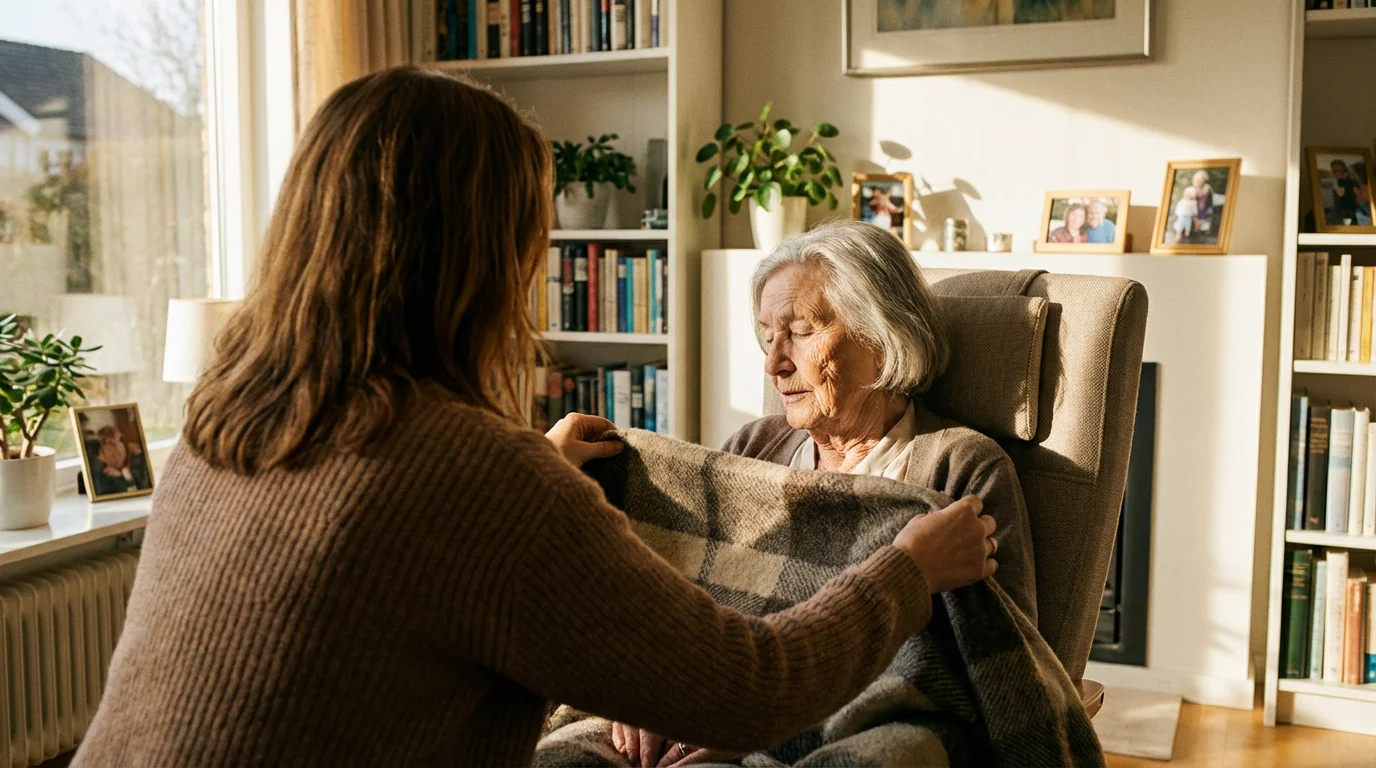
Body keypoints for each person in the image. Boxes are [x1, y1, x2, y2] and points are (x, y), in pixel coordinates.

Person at [71, 68, 998, 767]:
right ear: (479, 258)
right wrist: (907, 570)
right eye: (530, 236)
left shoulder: (222, 424)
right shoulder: (477, 477)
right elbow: (750, 689)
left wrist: (540, 480)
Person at [610, 221, 1037, 767]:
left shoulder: (958, 465)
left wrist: (752, 730)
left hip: (867, 723)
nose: (774, 363)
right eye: (769, 336)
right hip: (718, 705)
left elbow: (1001, 667)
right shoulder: (753, 447)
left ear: (882, 341)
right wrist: (647, 687)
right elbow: (687, 602)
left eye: (802, 330)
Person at [89, 424, 151, 496]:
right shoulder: (101, 468)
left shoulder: (137, 458)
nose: (101, 458)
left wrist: (120, 476)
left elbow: (140, 489)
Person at [1331, 159, 1359, 224]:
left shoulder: (1346, 182)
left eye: (1337, 170)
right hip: (1347, 213)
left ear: (1344, 170)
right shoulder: (1341, 181)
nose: (1334, 173)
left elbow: (1340, 194)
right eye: (1333, 171)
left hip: (1349, 214)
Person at [1191, 170, 1216, 235]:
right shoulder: (1193, 189)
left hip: (1205, 207)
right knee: (1196, 216)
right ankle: (1196, 229)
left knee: (1207, 214)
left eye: (1203, 179)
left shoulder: (1207, 187)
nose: (1202, 181)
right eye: (1199, 179)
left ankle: (1204, 231)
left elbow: (1210, 198)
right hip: (1195, 208)